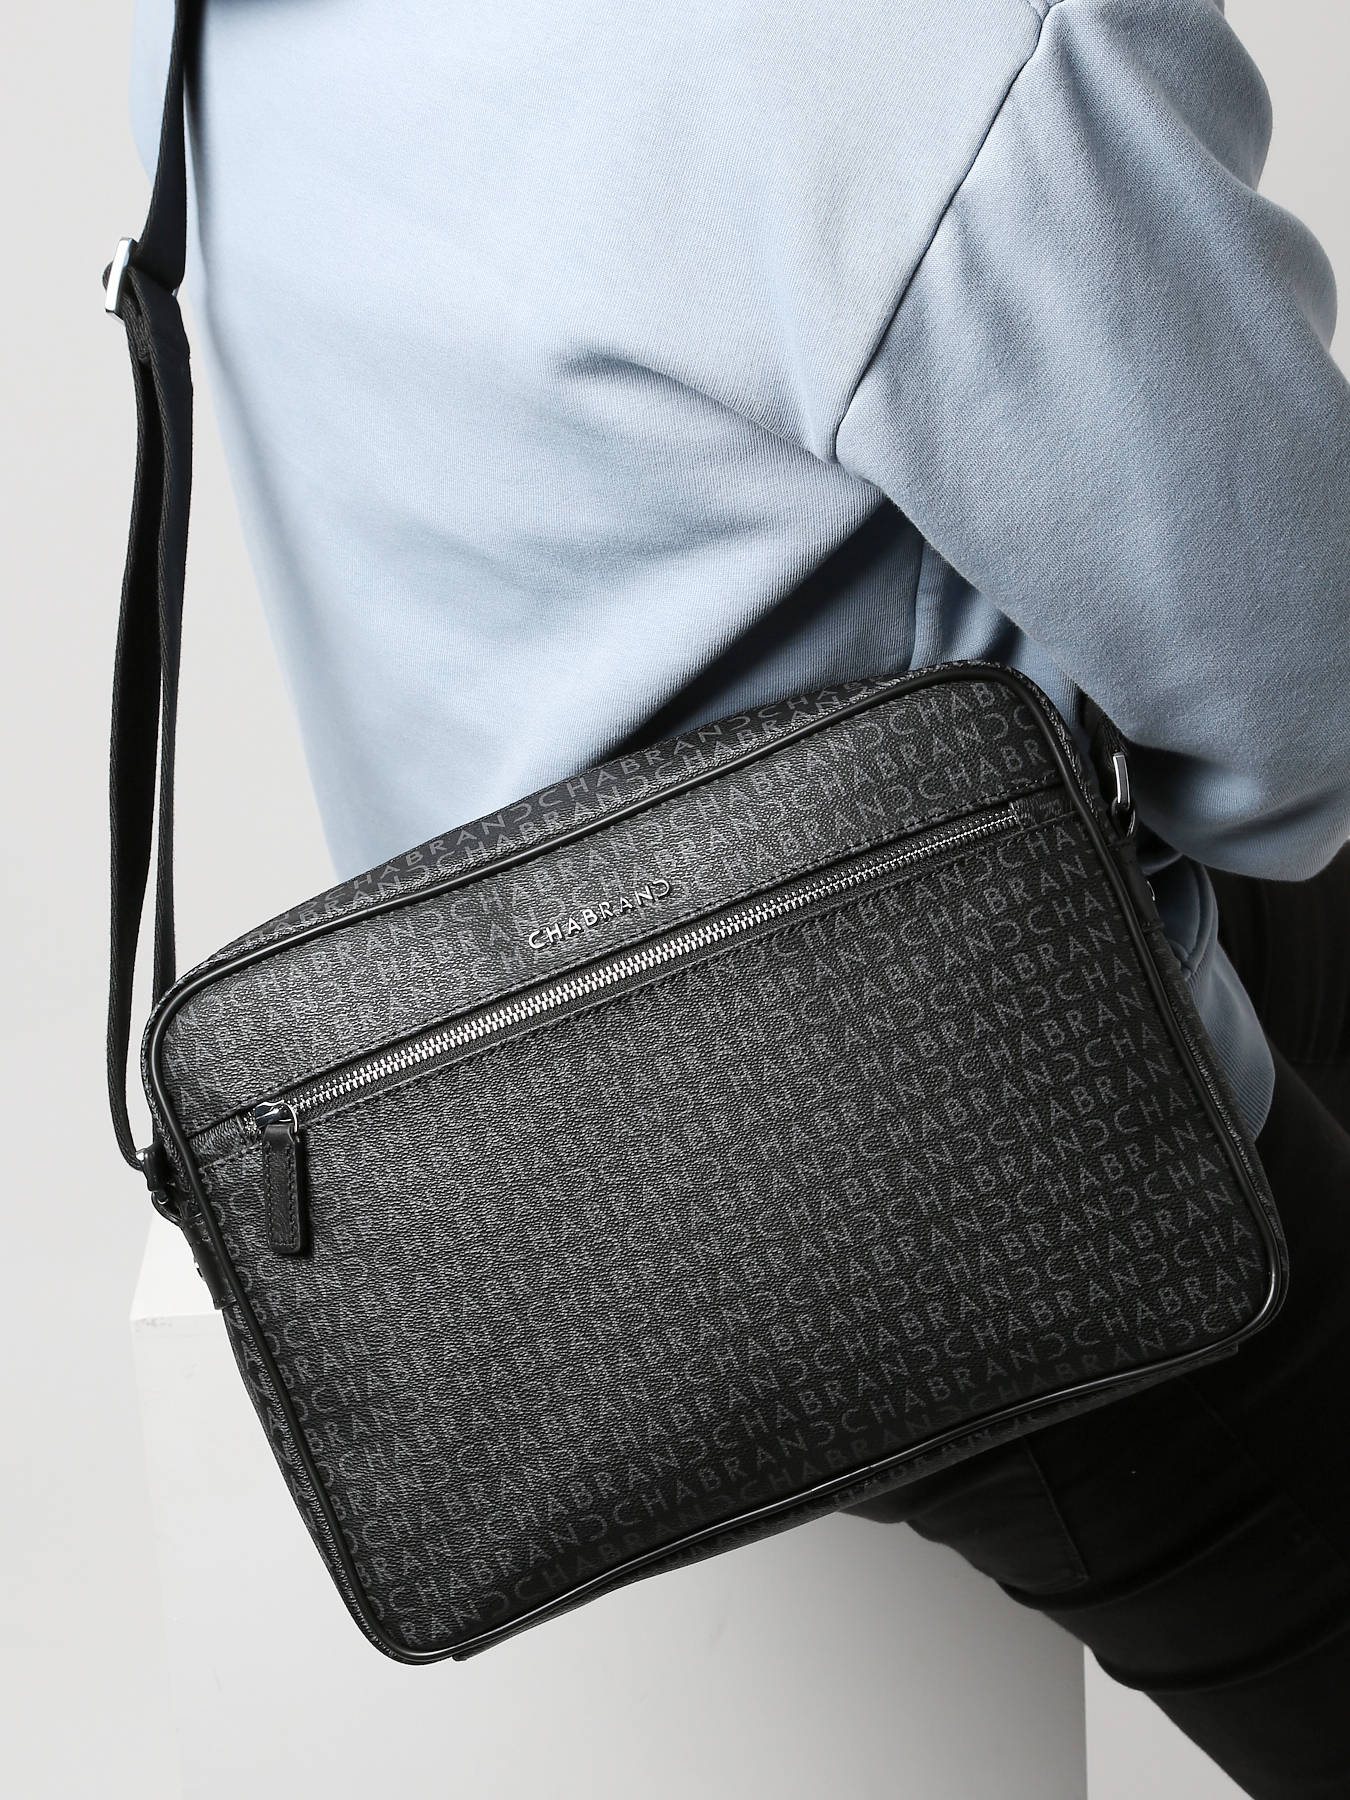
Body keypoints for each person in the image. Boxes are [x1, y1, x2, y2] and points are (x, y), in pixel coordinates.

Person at [133, 0, 1350, 1791]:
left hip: (523, 1158)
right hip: (999, 1169)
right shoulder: (919, 51)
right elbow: (1301, 708)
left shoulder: (215, 32)